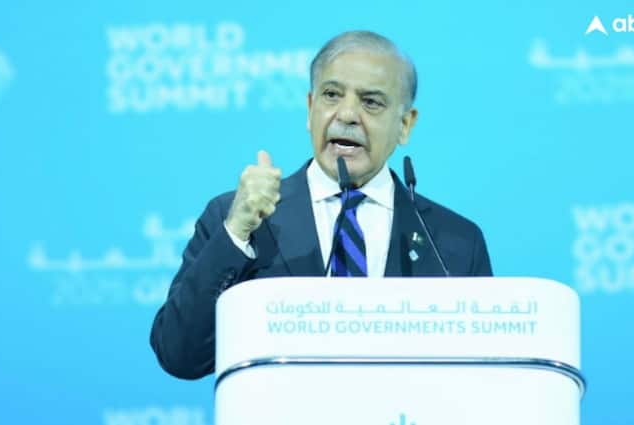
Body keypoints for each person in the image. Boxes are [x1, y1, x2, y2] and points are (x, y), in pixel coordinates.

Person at [150, 31, 493, 379]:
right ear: (310, 107)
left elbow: (483, 378)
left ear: (405, 124)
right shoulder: (237, 219)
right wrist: (236, 233)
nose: (347, 114)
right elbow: (179, 355)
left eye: (371, 102)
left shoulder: (455, 243)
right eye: (331, 95)